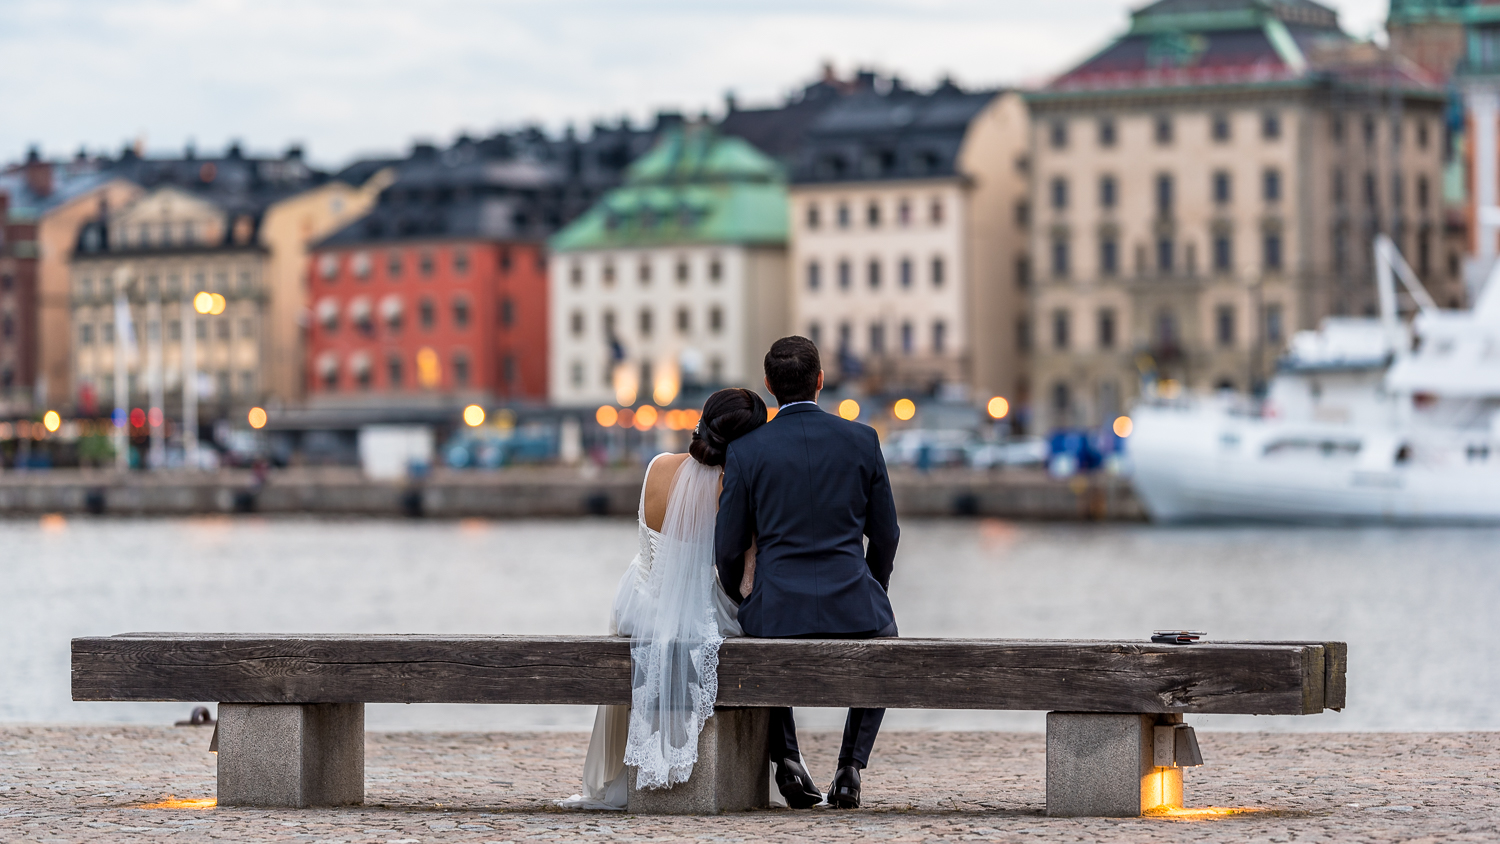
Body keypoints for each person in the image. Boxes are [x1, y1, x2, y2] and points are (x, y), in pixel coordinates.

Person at [560, 388, 772, 810]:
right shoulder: (733, 487)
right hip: (696, 605)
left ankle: (622, 770)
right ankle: (780, 763)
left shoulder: (656, 466)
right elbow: (741, 580)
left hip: (638, 600)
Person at [715, 335, 900, 810]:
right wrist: (872, 586)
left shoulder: (747, 450)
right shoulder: (862, 439)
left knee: (757, 636)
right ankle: (850, 767)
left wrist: (743, 595)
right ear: (821, 381)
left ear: (768, 385)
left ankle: (789, 759)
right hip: (854, 603)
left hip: (775, 609)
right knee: (886, 640)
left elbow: (728, 547)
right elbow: (886, 534)